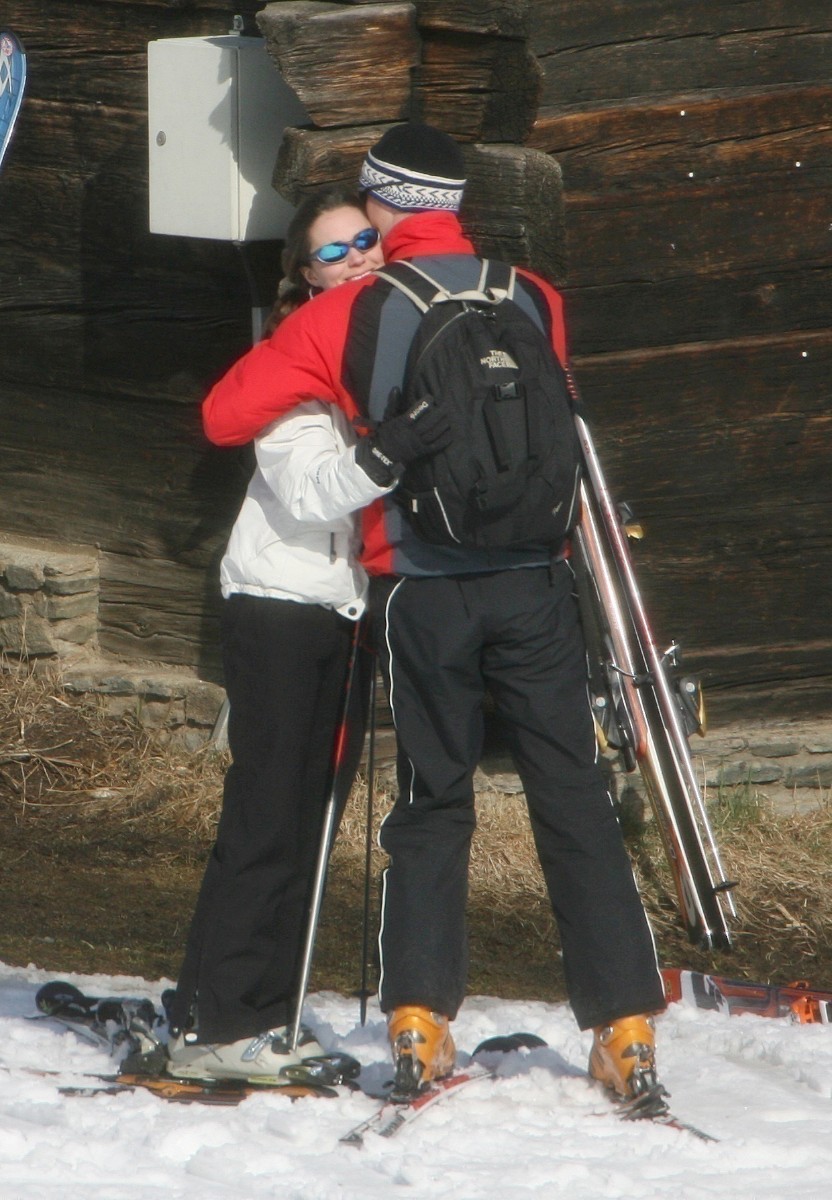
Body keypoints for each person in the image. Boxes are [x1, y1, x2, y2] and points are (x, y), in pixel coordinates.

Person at [200, 124, 668, 1101]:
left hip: (422, 589)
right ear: (456, 205)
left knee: (431, 803)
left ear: (382, 201)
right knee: (573, 795)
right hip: (537, 583)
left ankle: (420, 1019)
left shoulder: (351, 310)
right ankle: (624, 1026)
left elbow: (225, 414)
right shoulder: (535, 297)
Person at [165, 186, 399, 1082]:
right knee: (268, 810)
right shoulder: (294, 357)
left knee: (312, 810)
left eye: (365, 240)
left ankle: (247, 1007)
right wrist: (394, 451)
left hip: (341, 607)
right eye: (334, 251)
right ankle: (223, 1018)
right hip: (279, 603)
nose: (357, 257)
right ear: (306, 275)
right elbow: (307, 492)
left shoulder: (385, 354)